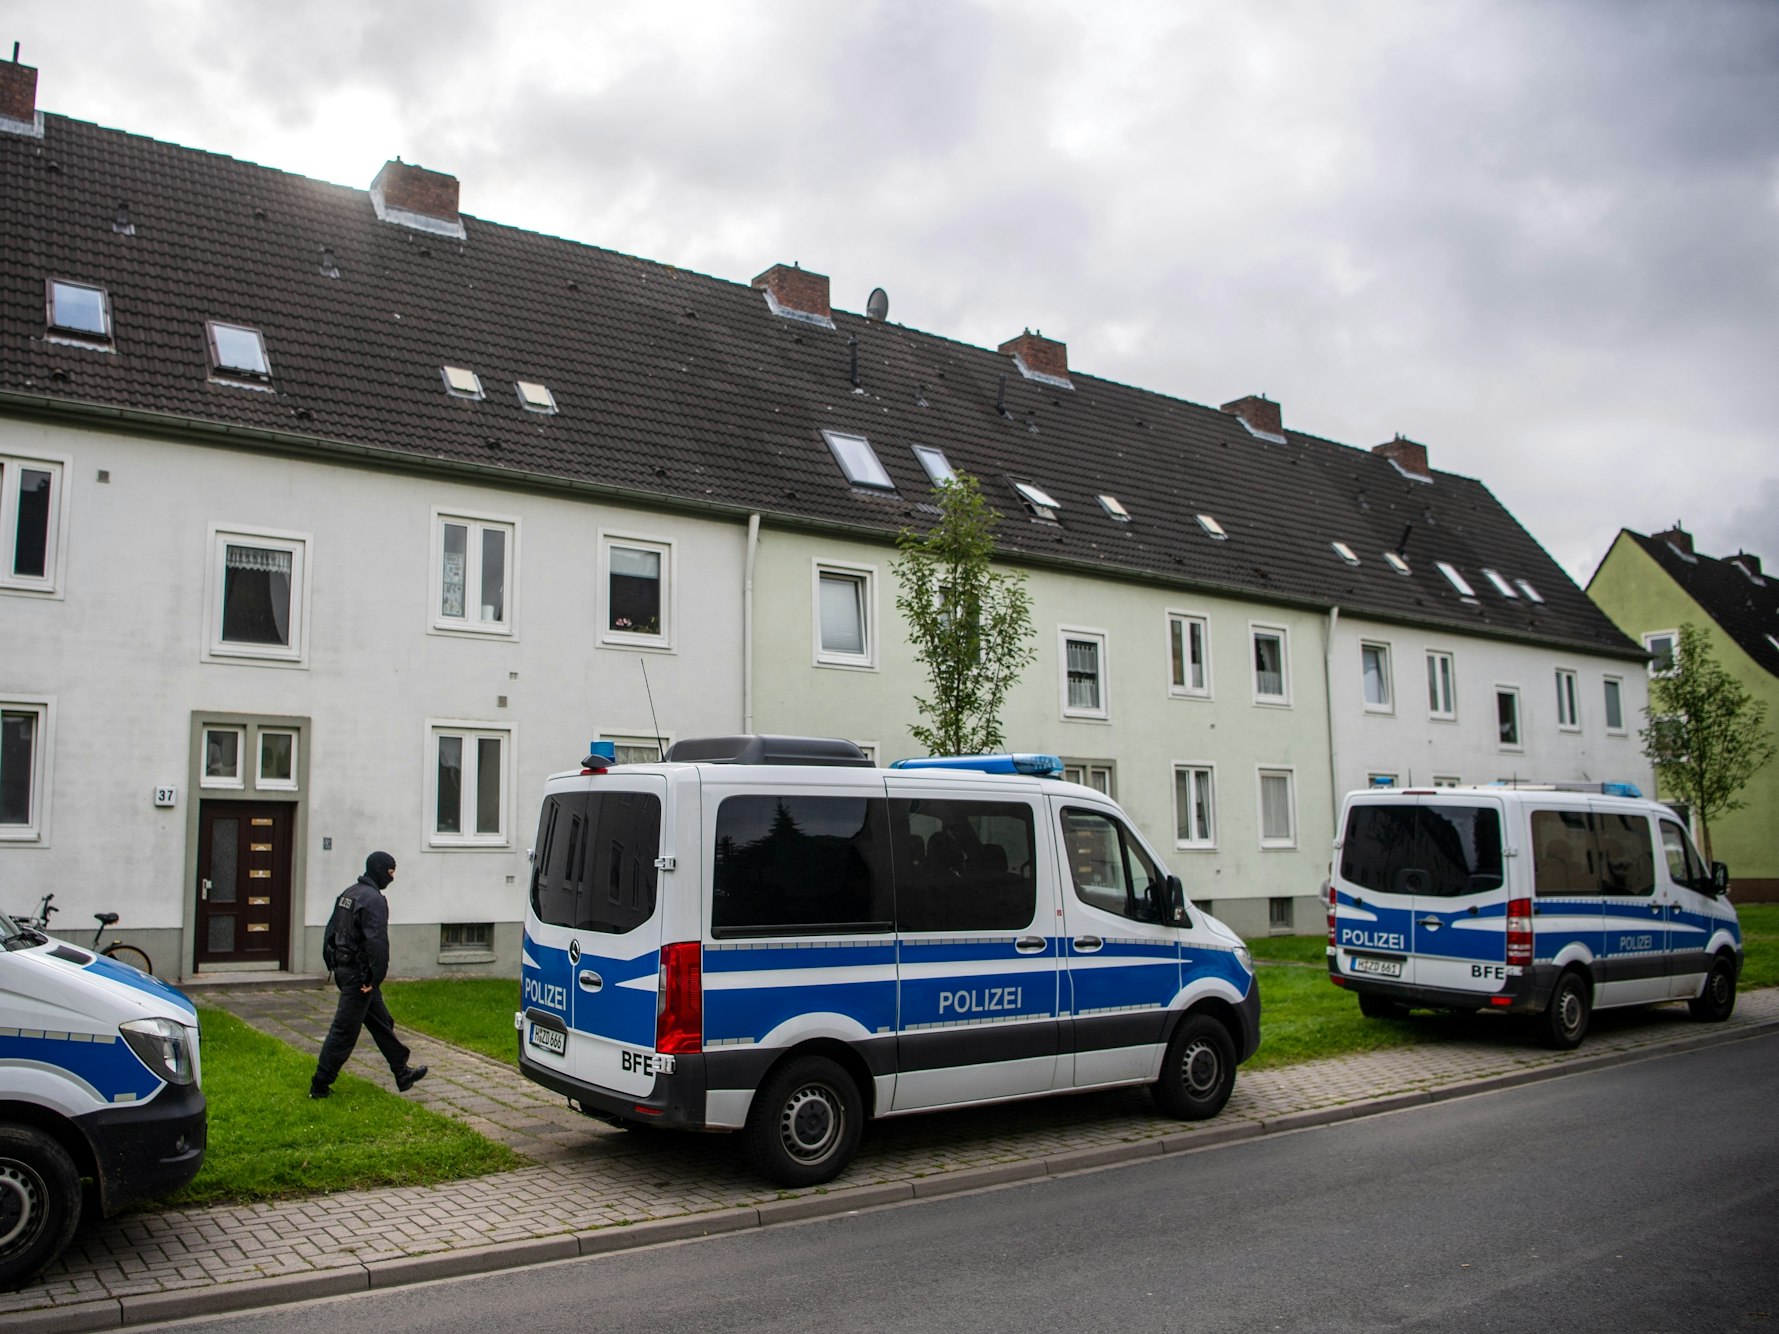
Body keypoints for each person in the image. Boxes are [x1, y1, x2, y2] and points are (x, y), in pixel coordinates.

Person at [309, 851, 428, 1099]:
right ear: (379, 870)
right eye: (391, 872)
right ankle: (320, 1085)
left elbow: (330, 932)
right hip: (360, 977)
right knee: (344, 1032)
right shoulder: (373, 900)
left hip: (347, 971)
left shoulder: (348, 894)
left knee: (382, 1022)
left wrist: (333, 964)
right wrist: (372, 979)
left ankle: (402, 1073)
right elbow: (377, 944)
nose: (392, 877)